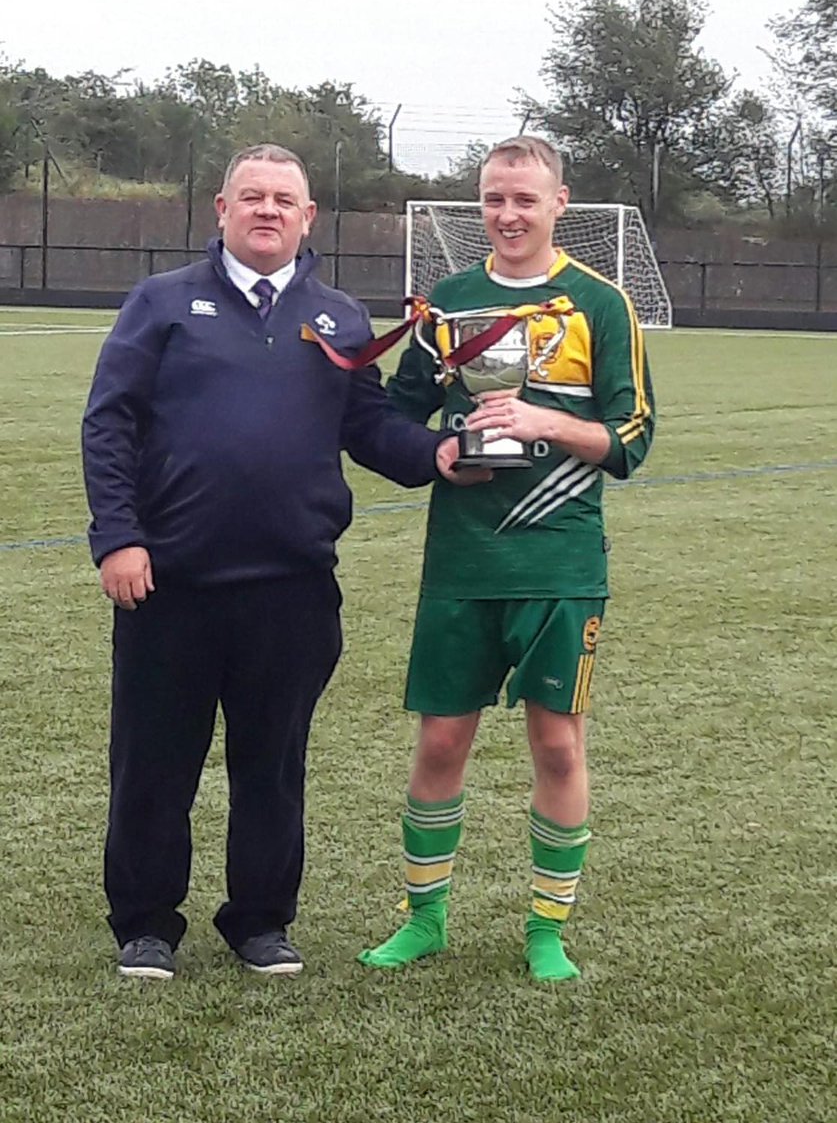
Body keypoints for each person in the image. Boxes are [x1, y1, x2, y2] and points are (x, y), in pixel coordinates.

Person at [82, 143, 476, 980]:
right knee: (154, 761)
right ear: (220, 210)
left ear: (307, 218)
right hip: (169, 583)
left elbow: (367, 428)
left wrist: (441, 453)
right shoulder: (161, 302)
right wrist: (118, 536)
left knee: (273, 763)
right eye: (250, 196)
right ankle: (147, 923)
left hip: (292, 589)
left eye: (283, 199)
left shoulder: (337, 317)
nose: (267, 210)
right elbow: (108, 423)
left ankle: (260, 920)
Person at [358, 136, 655, 981]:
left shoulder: (600, 304)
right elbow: (396, 418)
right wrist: (446, 447)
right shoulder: (448, 301)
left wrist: (544, 423)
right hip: (461, 561)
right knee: (441, 743)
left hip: (560, 565)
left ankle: (545, 929)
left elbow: (631, 438)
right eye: (493, 198)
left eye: (525, 198)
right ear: (478, 204)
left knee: (558, 748)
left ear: (560, 202)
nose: (508, 213)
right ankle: (425, 918)